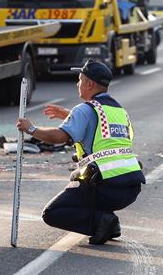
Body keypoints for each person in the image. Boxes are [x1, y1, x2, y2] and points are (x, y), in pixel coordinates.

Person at [15, 59, 146, 245]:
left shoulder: (84, 110)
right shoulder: (119, 111)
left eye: (80, 80)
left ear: (89, 84)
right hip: (130, 187)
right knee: (76, 177)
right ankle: (105, 219)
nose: (78, 84)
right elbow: (107, 135)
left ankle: (103, 222)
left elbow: (59, 136)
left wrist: (31, 129)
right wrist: (69, 116)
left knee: (52, 213)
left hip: (105, 185)